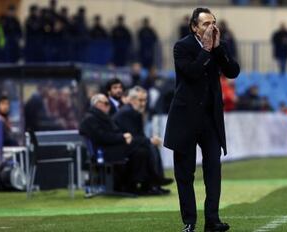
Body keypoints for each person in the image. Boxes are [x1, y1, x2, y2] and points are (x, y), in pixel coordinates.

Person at [163, 8, 240, 232]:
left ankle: (212, 220)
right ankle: (189, 221)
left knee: (213, 170)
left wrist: (218, 49)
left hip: (210, 119)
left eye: (213, 23)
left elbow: (233, 71)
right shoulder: (182, 47)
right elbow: (192, 72)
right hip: (185, 118)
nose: (211, 27)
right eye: (206, 24)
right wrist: (206, 50)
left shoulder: (218, 45)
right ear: (194, 27)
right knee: (185, 173)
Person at [79, 94, 166, 195]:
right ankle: (144, 183)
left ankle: (146, 184)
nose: (109, 106)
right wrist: (123, 137)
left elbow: (110, 134)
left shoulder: (100, 117)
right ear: (98, 104)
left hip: (110, 148)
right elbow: (103, 137)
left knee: (142, 149)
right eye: (106, 103)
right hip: (104, 152)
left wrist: (124, 136)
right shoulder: (91, 119)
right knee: (141, 148)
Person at [113, 86, 172, 193]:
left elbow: (137, 136)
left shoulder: (133, 112)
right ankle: (153, 183)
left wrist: (149, 140)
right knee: (147, 149)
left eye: (145, 100)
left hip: (128, 146)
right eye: (140, 100)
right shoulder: (127, 113)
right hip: (121, 147)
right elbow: (131, 137)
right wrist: (149, 140)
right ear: (131, 100)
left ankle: (154, 183)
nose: (143, 103)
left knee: (151, 147)